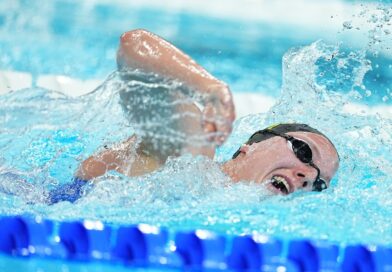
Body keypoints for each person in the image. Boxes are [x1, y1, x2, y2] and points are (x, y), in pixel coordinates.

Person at [46, 29, 339, 204]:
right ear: (249, 146)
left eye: (319, 184)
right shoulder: (189, 156)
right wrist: (210, 90)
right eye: (302, 151)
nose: (308, 176)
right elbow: (134, 46)